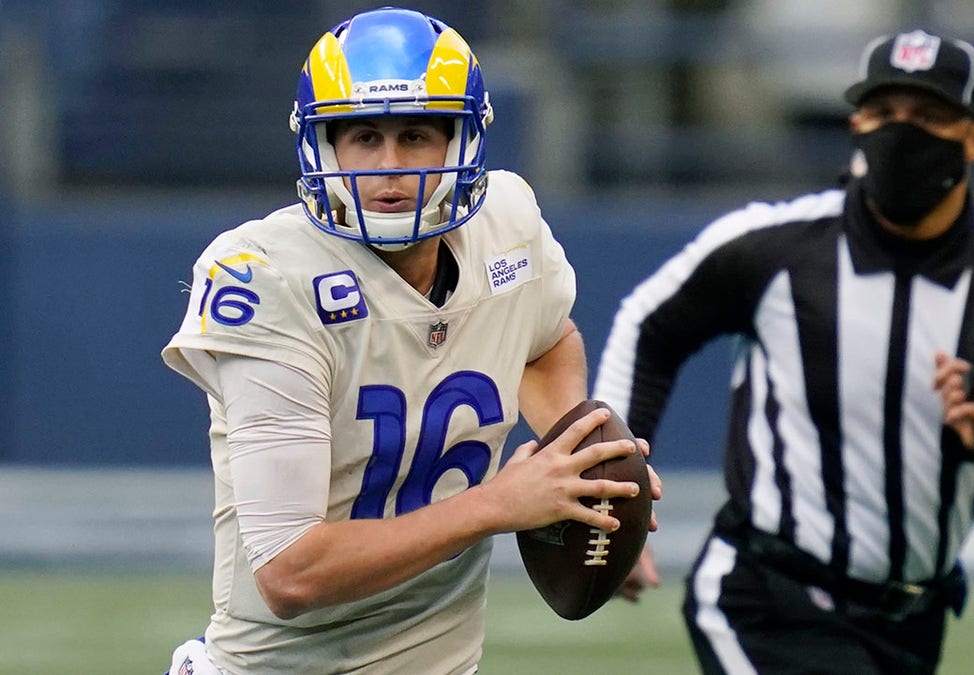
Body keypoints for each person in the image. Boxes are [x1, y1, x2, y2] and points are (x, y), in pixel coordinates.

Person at [595, 29, 974, 674]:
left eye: (929, 116)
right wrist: (612, 498)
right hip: (764, 597)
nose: (904, 133)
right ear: (855, 126)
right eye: (884, 114)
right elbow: (648, 324)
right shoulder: (776, 245)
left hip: (914, 624)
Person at [161, 8, 658, 674]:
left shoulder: (506, 225)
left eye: (417, 134)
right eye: (364, 136)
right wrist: (498, 503)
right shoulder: (268, 276)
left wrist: (576, 467)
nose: (389, 167)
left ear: (462, 142)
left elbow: (544, 339)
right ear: (322, 148)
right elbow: (290, 574)